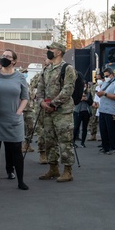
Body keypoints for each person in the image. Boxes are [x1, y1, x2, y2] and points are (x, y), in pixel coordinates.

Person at [0, 49, 29, 190]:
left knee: (16, 150)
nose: (4, 58)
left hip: (14, 119)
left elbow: (25, 97)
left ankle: (20, 180)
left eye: (8, 56)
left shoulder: (20, 77)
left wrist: (18, 113)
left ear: (14, 61)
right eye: (3, 56)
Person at [35, 41, 77, 183]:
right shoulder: (47, 70)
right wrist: (41, 102)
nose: (49, 51)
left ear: (59, 52)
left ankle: (67, 170)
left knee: (65, 141)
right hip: (47, 111)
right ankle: (53, 168)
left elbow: (68, 90)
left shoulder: (67, 68)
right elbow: (40, 89)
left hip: (62, 111)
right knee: (49, 141)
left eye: (51, 49)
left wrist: (53, 103)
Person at [95, 68, 115, 155]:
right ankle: (105, 146)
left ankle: (112, 146)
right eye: (104, 76)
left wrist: (105, 94)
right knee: (103, 129)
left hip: (110, 110)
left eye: (107, 76)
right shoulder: (105, 83)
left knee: (110, 129)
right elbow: (101, 93)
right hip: (102, 109)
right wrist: (100, 94)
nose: (105, 77)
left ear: (111, 75)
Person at [72, 81, 91, 148]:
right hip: (77, 111)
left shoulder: (88, 93)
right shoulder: (76, 92)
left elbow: (91, 102)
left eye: (85, 85)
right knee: (76, 127)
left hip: (86, 111)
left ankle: (83, 142)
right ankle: (73, 142)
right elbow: (74, 101)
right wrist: (80, 99)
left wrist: (86, 99)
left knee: (85, 127)